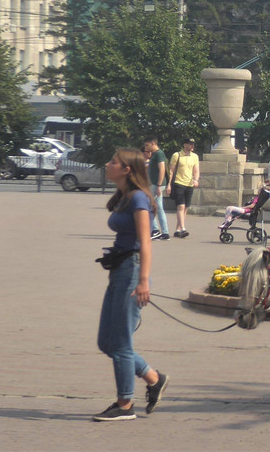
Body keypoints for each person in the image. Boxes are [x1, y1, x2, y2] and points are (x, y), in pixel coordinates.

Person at [94, 147, 168, 421]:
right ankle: (154, 378)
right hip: (119, 269)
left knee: (122, 343)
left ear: (127, 170)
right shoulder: (125, 197)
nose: (108, 163)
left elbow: (146, 242)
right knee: (107, 342)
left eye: (114, 161)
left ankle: (125, 404)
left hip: (132, 271)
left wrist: (144, 282)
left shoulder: (139, 199)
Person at [166, 138, 199, 238]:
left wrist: (196, 179)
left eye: (193, 144)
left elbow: (196, 170)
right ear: (185, 145)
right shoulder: (177, 155)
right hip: (179, 183)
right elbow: (171, 171)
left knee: (185, 209)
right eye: (190, 144)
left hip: (189, 184)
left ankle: (178, 230)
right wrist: (169, 184)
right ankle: (183, 228)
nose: (192, 146)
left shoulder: (195, 156)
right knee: (180, 207)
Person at [141, 137, 170, 241]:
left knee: (150, 206)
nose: (146, 148)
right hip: (155, 184)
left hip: (157, 184)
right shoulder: (155, 154)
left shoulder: (159, 154)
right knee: (159, 208)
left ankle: (155, 230)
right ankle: (164, 232)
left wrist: (158, 185)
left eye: (147, 145)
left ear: (153, 143)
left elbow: (162, 169)